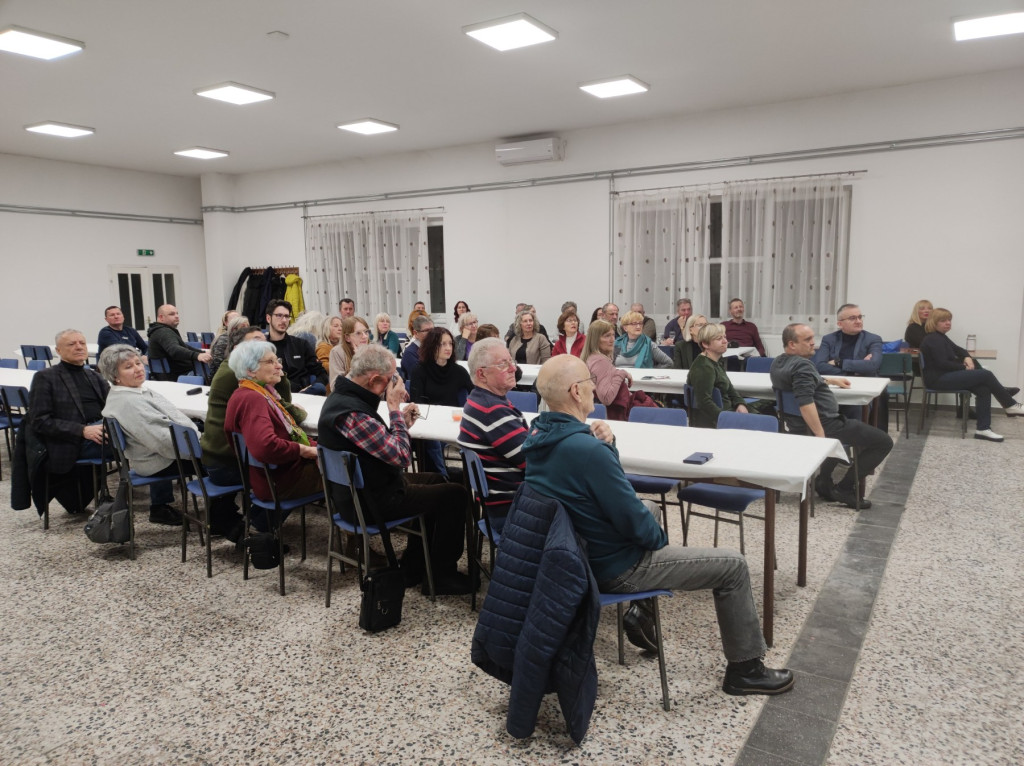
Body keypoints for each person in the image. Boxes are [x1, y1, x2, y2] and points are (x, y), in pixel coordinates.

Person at [522, 354, 794, 696]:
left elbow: (610, 494)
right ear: (576, 391)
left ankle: (642, 612)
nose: (595, 388)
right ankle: (746, 670)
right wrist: (658, 541)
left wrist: (608, 447)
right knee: (733, 566)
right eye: (591, 382)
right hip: (613, 568)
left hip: (575, 556)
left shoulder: (539, 437)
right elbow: (639, 527)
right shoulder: (587, 451)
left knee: (649, 506)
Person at [316, 344, 472, 595]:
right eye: (391, 380)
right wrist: (394, 411)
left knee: (435, 479)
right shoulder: (352, 412)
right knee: (456, 494)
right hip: (369, 502)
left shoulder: (341, 397)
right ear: (374, 380)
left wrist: (401, 425)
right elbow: (401, 457)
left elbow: (377, 446)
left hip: (362, 490)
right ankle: (442, 576)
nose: (397, 386)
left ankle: (413, 565)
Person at [770, 323, 894, 508]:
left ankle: (823, 482)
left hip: (796, 425)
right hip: (825, 424)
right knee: (883, 442)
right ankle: (845, 488)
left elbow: (801, 381)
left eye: (812, 338)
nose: (813, 343)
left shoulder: (778, 362)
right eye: (807, 339)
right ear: (792, 344)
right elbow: (805, 402)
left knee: (843, 435)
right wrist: (821, 436)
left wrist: (828, 380)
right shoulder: (803, 365)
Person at [200, 328, 302, 539]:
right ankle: (256, 529)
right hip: (228, 461)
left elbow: (281, 403)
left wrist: (275, 372)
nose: (277, 364)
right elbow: (286, 412)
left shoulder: (248, 382)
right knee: (305, 472)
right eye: (255, 345)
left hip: (221, 455)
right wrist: (303, 449)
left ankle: (248, 526)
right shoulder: (245, 386)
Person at [223, 341, 322, 530]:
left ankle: (258, 527)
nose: (279, 366)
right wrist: (303, 450)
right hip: (280, 480)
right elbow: (265, 446)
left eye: (278, 360)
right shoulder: (254, 399)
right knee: (349, 470)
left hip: (266, 477)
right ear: (250, 370)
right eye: (270, 362)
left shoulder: (247, 392)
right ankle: (356, 537)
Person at [98, 344, 196, 526]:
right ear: (115, 376)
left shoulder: (133, 391)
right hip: (157, 461)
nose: (138, 369)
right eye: (128, 367)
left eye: (138, 363)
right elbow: (164, 441)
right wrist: (200, 446)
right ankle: (222, 515)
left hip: (153, 454)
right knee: (223, 460)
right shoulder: (130, 403)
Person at [25, 330, 110, 514]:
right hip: (71, 440)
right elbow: (39, 421)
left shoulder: (94, 376)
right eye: (71, 344)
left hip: (101, 431)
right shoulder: (45, 377)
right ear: (58, 351)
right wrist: (82, 430)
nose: (79, 347)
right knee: (137, 443)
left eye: (82, 343)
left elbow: (113, 406)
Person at [918, 308, 1022, 441]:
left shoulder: (941, 337)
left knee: (983, 389)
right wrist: (964, 367)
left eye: (949, 320)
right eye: (943, 320)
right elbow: (942, 363)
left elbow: (959, 349)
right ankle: (1010, 404)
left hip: (944, 376)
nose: (948, 323)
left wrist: (967, 357)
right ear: (934, 322)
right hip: (937, 379)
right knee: (985, 374)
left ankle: (983, 429)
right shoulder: (933, 339)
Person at [458, 339, 527, 519]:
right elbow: (533, 461)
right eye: (503, 364)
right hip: (513, 510)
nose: (513, 368)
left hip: (503, 505)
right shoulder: (492, 410)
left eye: (511, 361)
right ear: (482, 374)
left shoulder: (479, 400)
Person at [813, 304, 888, 430]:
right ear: (840, 323)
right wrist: (856, 371)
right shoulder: (829, 339)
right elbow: (819, 366)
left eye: (860, 317)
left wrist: (839, 362)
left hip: (862, 388)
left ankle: (858, 439)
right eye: (852, 318)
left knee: (856, 411)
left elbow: (873, 365)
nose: (858, 321)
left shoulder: (873, 339)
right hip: (834, 388)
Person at [581, 320, 657, 420]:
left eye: (613, 335)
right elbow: (606, 398)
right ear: (595, 340)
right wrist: (621, 374)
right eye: (607, 336)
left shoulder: (592, 358)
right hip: (621, 414)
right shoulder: (600, 361)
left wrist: (619, 373)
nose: (612, 340)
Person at [688, 324, 753, 428]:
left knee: (767, 405)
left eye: (725, 337)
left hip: (729, 411)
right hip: (722, 418)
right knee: (767, 414)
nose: (725, 341)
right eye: (719, 339)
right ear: (705, 344)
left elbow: (730, 390)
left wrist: (740, 404)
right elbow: (704, 403)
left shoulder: (716, 362)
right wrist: (727, 419)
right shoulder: (703, 367)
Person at [266, 299, 327, 395]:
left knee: (320, 388)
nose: (284, 320)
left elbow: (321, 373)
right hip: (275, 394)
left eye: (287, 316)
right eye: (279, 315)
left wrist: (312, 387)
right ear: (268, 318)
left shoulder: (301, 344)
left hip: (304, 393)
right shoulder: (262, 348)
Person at [410, 327, 473, 407]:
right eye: (443, 344)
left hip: (452, 413)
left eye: (450, 343)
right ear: (432, 346)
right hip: (427, 414)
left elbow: (474, 393)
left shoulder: (459, 371)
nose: (448, 348)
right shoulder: (419, 371)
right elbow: (416, 402)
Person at [146, 304, 211, 381]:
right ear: (161, 317)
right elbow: (174, 349)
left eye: (177, 313)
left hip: (169, 377)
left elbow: (183, 347)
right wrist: (197, 355)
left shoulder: (158, 331)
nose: (176, 316)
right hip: (180, 377)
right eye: (172, 314)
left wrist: (202, 352)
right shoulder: (164, 332)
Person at [329, 315, 371, 387]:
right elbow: (335, 387)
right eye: (358, 333)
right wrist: (357, 365)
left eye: (366, 332)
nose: (365, 336)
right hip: (350, 393)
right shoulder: (337, 352)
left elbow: (389, 376)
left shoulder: (374, 350)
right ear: (347, 338)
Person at [401, 313, 434, 380]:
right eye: (427, 330)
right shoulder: (410, 353)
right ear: (416, 333)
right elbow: (422, 377)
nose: (432, 333)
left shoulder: (434, 348)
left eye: (432, 330)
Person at [315, 315, 344, 391]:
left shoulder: (341, 347)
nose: (340, 329)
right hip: (330, 388)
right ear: (326, 329)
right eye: (336, 326)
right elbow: (323, 366)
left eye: (341, 326)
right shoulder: (323, 347)